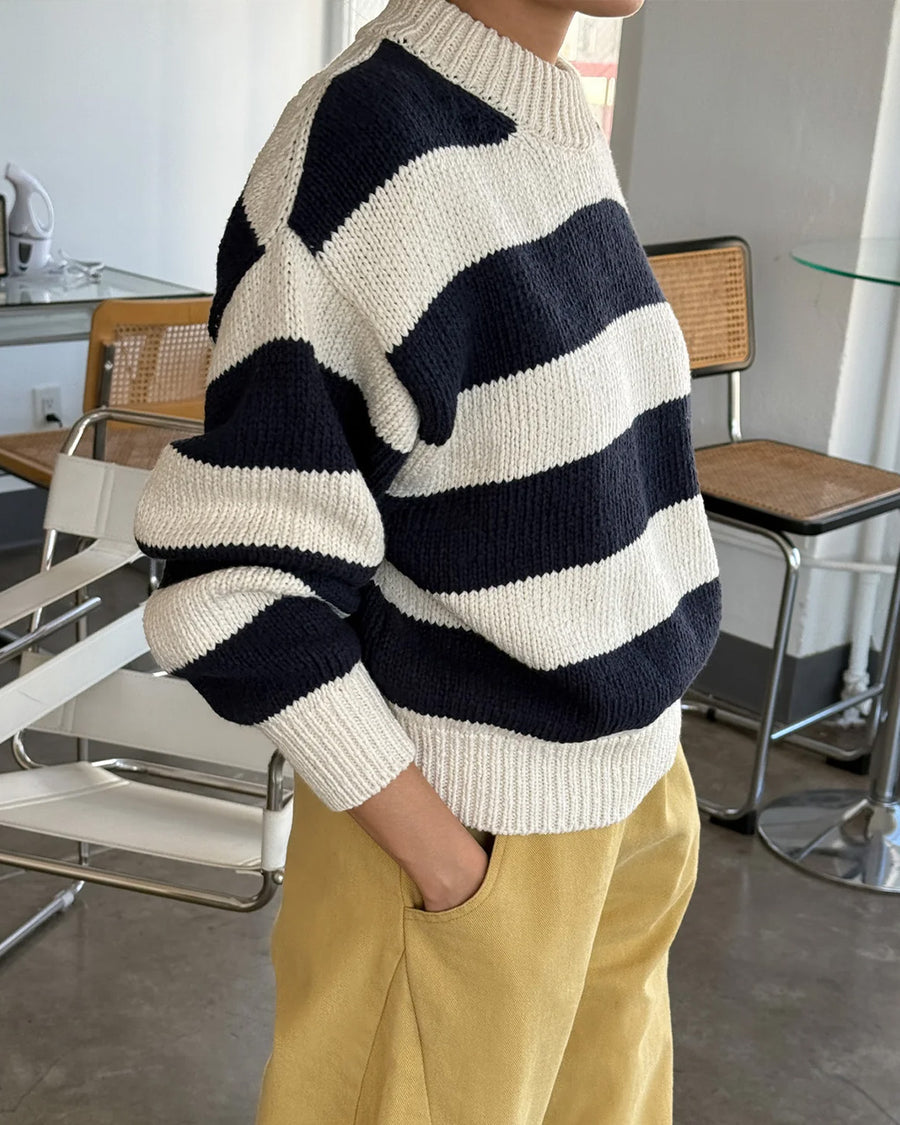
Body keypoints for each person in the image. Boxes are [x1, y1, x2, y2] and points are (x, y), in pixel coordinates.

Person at [132, 0, 722, 1118]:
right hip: (470, 844)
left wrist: (649, 780)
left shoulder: (544, 118)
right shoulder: (364, 146)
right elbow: (233, 582)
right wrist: (451, 865)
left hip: (630, 809)